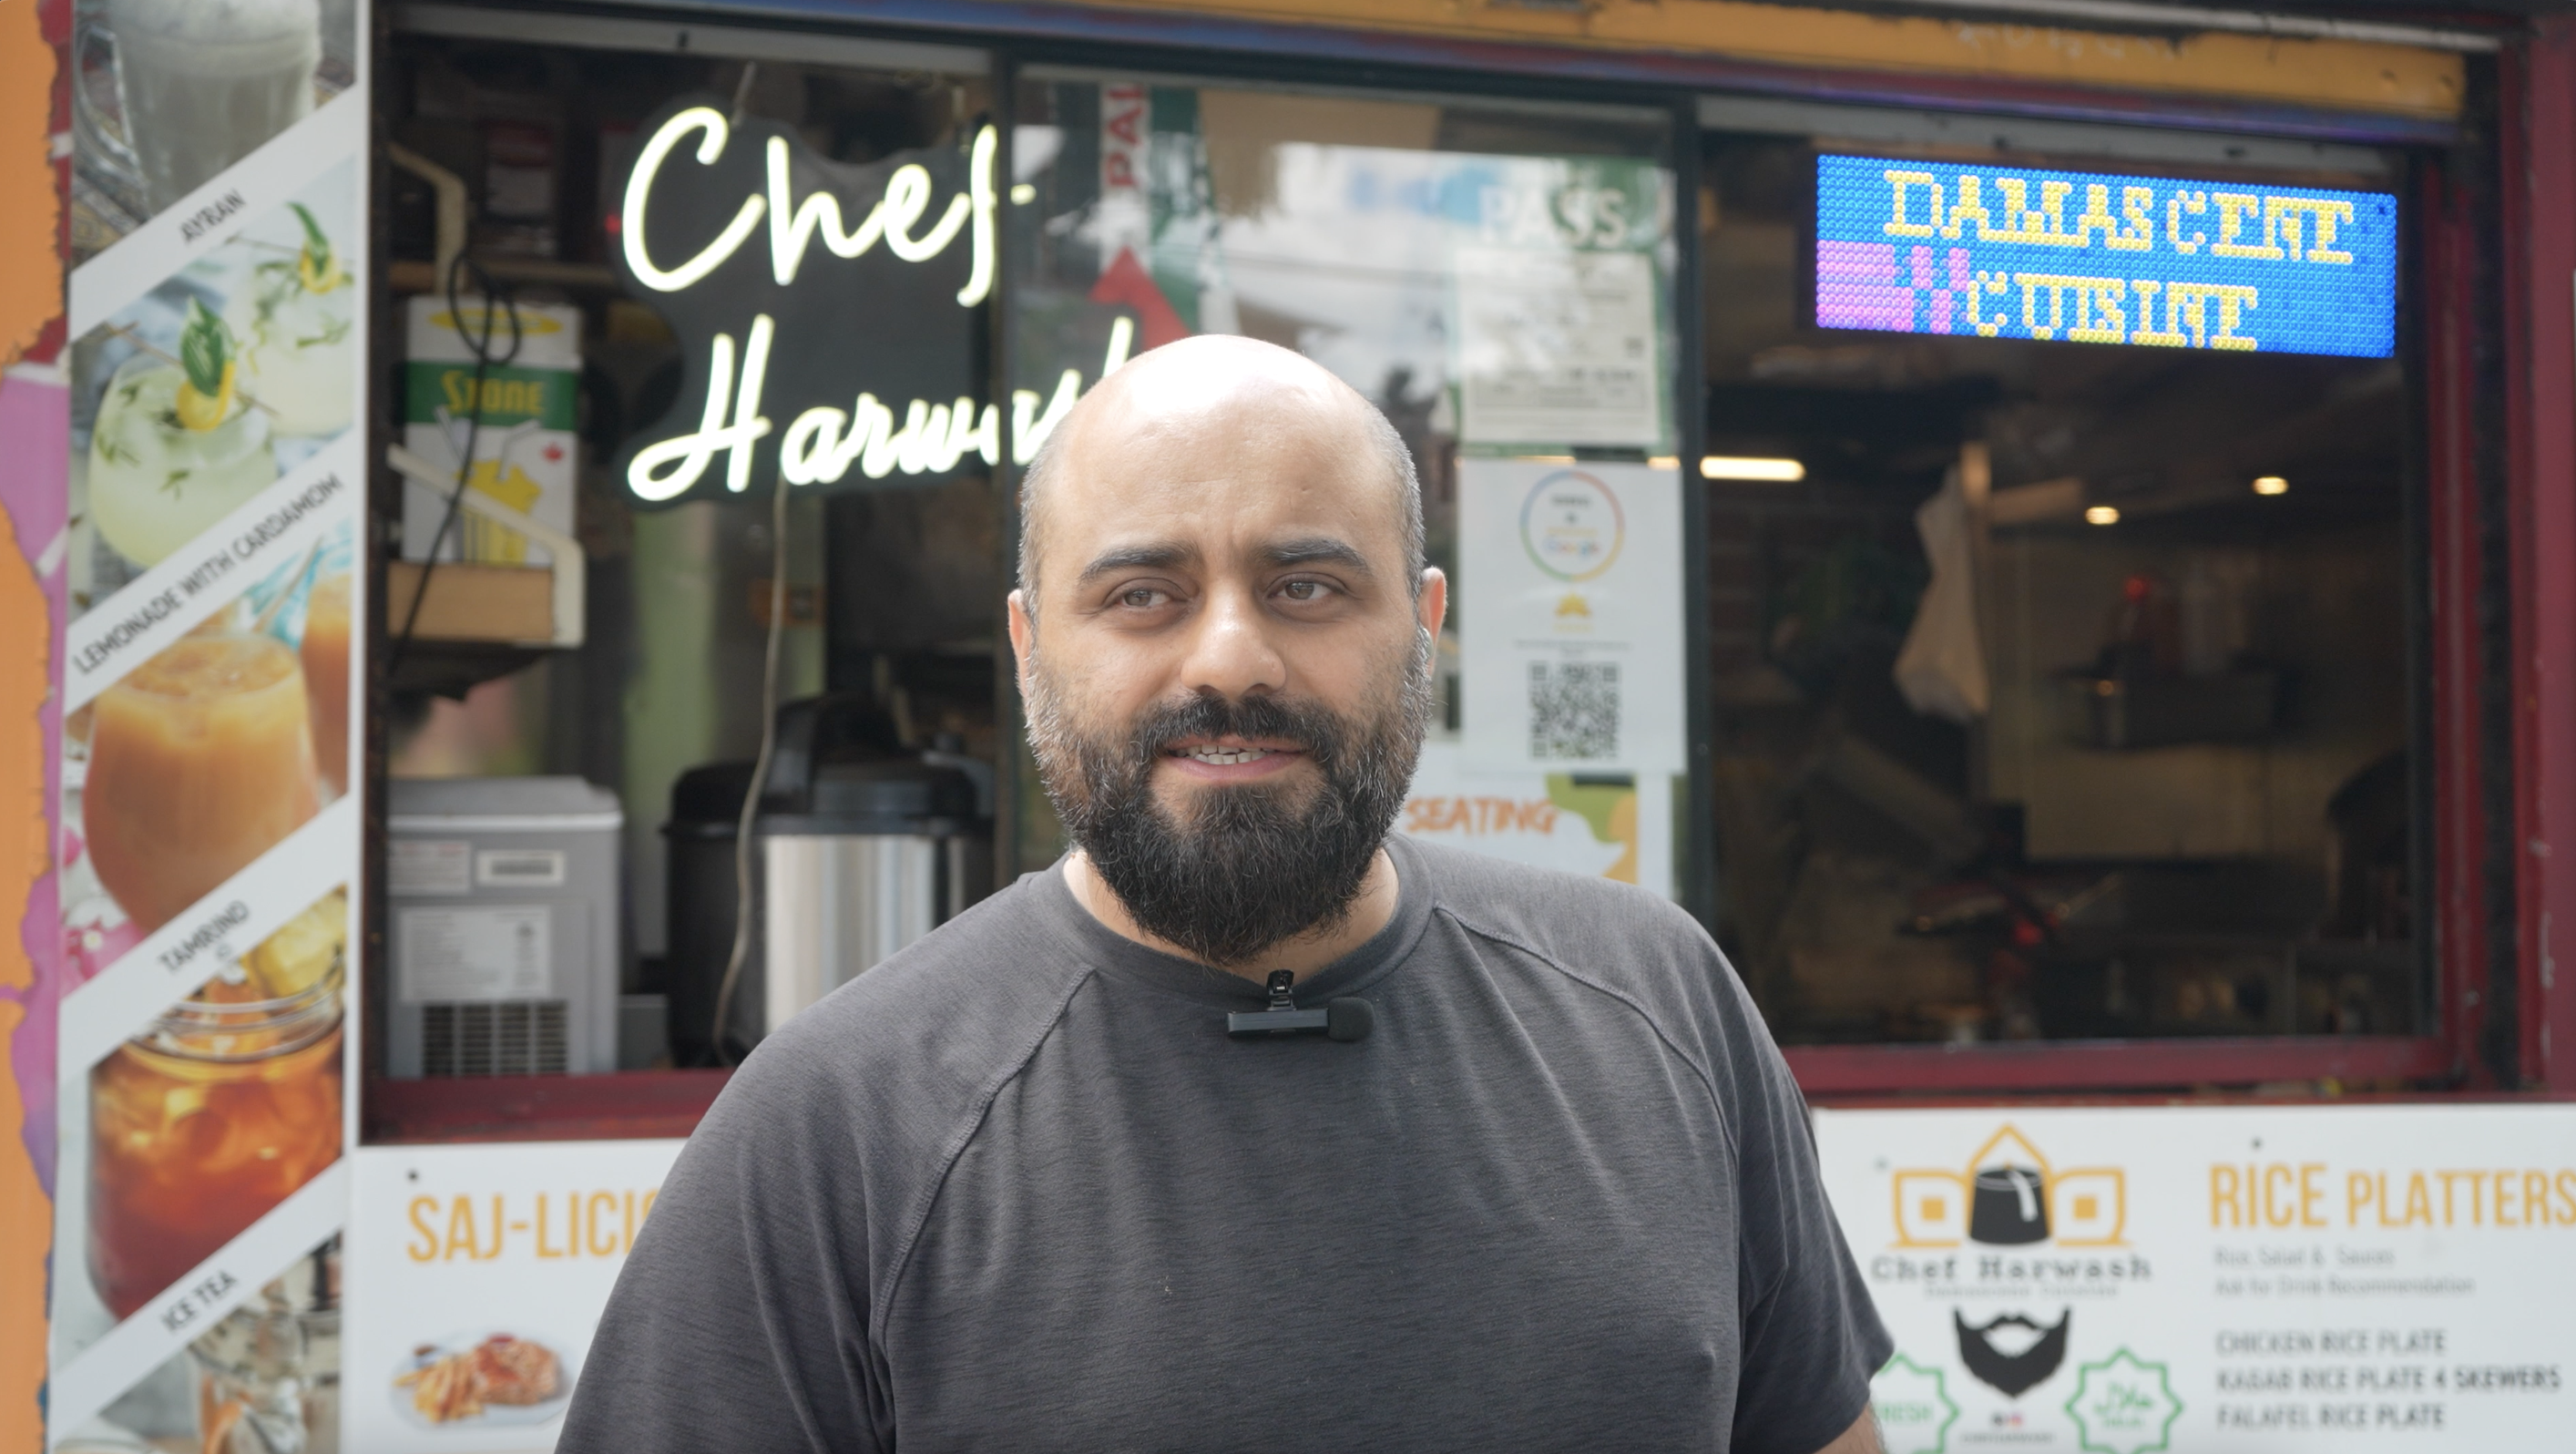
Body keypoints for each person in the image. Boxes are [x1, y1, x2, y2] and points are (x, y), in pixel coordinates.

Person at [559, 335, 1892, 1453]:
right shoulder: (834, 1125)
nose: (1233, 658)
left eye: (1307, 585)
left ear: (1425, 628)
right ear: (1033, 648)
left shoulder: (1661, 1007)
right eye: (1143, 594)